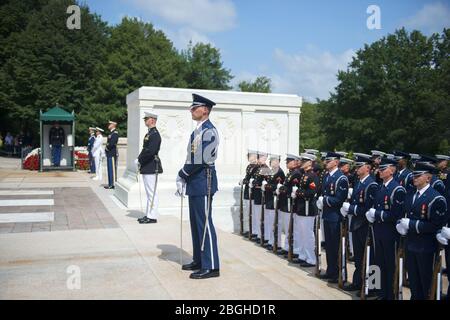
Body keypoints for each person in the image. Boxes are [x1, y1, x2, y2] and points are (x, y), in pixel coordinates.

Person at [176, 93, 220, 279]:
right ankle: (200, 259)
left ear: (205, 110)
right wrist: (186, 177)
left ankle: (211, 266)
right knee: (195, 224)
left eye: (195, 107)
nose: (191, 110)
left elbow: (200, 159)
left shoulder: (209, 131)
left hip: (204, 181)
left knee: (205, 224)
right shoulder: (198, 131)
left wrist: (182, 173)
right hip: (196, 182)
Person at [397, 162, 447, 300]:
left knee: (426, 284)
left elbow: (436, 226)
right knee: (413, 281)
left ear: (428, 178)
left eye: (418, 175)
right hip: (411, 244)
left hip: (425, 247)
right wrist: (400, 224)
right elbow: (403, 215)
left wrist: (412, 224)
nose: (415, 178)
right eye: (414, 175)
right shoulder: (410, 195)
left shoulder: (436, 198)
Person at [365, 157, 406, 300]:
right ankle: (381, 293)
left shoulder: (397, 189)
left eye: (383, 169)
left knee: (390, 264)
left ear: (392, 170)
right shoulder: (381, 186)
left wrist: (377, 214)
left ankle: (391, 294)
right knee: (379, 263)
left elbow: (396, 214)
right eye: (379, 169)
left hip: (390, 232)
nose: (380, 171)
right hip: (379, 230)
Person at [340, 153, 378, 295]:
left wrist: (351, 209)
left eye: (359, 166)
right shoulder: (359, 182)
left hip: (366, 225)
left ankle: (373, 287)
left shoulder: (372, 185)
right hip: (356, 223)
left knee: (371, 257)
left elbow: (369, 208)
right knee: (359, 257)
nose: (356, 168)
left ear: (367, 168)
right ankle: (358, 282)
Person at [316, 152, 349, 283]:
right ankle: (331, 271)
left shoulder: (341, 178)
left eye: (329, 160)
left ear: (336, 162)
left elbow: (339, 199)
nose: (326, 162)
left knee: (335, 246)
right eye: (326, 160)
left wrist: (325, 201)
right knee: (329, 246)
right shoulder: (327, 176)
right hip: (327, 215)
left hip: (336, 216)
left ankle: (337, 273)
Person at [293, 152, 320, 267]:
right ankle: (303, 255)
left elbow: (311, 193)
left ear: (310, 163)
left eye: (304, 161)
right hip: (302, 208)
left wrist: (298, 192)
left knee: (308, 235)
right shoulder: (304, 175)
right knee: (302, 234)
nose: (301, 163)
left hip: (308, 209)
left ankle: (311, 258)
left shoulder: (313, 176)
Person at [136, 112, 163, 224]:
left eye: (146, 119)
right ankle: (148, 214)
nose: (145, 120)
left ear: (152, 120)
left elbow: (150, 151)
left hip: (151, 165)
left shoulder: (155, 134)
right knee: (149, 193)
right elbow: (145, 149)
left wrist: (140, 160)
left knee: (152, 192)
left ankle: (152, 217)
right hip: (147, 165)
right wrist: (139, 159)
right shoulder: (150, 134)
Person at [276, 154, 303, 258]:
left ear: (295, 162)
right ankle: (287, 247)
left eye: (289, 161)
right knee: (287, 227)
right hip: (285, 203)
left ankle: (294, 249)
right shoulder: (291, 173)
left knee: (291, 228)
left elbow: (291, 188)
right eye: (287, 162)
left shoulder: (296, 174)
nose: (287, 163)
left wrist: (283, 189)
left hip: (289, 203)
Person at [263, 154, 285, 252]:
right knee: (269, 222)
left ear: (278, 161)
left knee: (275, 223)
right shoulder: (271, 171)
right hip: (269, 200)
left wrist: (266, 186)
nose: (271, 162)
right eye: (271, 161)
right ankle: (271, 241)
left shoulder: (279, 172)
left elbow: (276, 186)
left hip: (275, 201)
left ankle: (277, 243)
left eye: (274, 161)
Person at [250, 151, 269, 243]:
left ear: (265, 158)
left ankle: (262, 235)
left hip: (262, 195)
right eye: (259, 157)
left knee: (261, 216)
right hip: (256, 194)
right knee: (257, 215)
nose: (259, 159)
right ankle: (257, 233)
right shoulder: (258, 168)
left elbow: (265, 183)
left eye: (261, 157)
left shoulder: (265, 168)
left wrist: (257, 183)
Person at [241, 150, 258, 237]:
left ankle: (254, 231)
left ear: (255, 157)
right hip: (247, 191)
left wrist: (248, 181)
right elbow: (247, 177)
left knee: (254, 214)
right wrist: (244, 180)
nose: (249, 158)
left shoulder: (258, 167)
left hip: (253, 193)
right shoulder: (249, 166)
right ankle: (249, 229)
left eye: (250, 156)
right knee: (248, 212)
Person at [104, 121, 119, 189]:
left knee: (112, 168)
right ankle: (110, 183)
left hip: (112, 153)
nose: (108, 125)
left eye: (110, 124)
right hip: (109, 153)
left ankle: (112, 184)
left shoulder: (115, 133)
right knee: (109, 168)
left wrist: (107, 148)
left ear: (113, 125)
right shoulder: (111, 133)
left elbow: (112, 143)